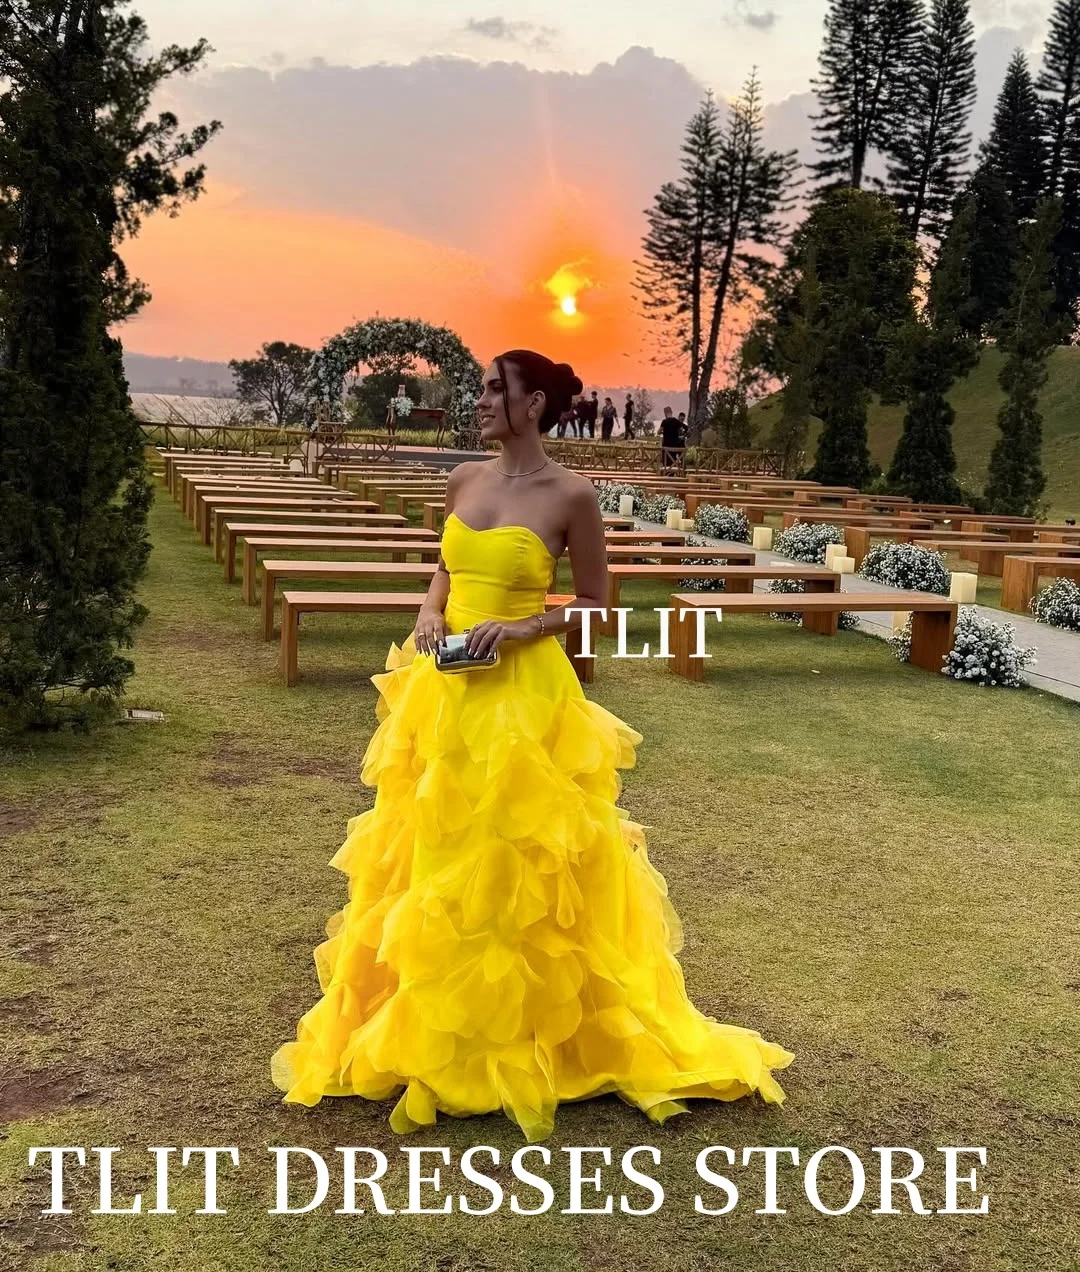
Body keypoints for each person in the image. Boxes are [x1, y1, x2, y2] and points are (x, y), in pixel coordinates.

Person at [271, 349, 792, 1141]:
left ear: (534, 401)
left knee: (521, 861)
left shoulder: (571, 493)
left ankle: (528, 1036)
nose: (478, 400)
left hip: (525, 699)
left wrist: (520, 627)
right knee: (438, 859)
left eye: (493, 389)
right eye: (480, 388)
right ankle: (436, 1024)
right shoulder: (463, 482)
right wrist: (429, 612)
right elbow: (446, 569)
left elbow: (595, 607)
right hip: (445, 695)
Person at [659, 406, 683, 473]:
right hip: (674, 446)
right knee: (673, 460)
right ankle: (672, 473)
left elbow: (659, 431)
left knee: (665, 461)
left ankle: (666, 474)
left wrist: (663, 432)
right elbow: (681, 431)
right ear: (671, 412)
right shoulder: (676, 421)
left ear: (665, 413)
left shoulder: (664, 421)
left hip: (666, 446)